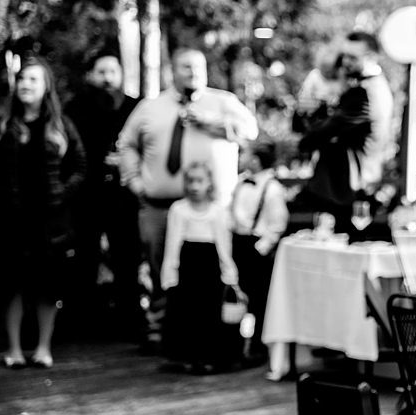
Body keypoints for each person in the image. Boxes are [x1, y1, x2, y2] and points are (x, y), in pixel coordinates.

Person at [117, 47, 258, 347]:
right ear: (172, 71)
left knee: (209, 271)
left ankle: (210, 333)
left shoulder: (223, 102)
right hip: (160, 205)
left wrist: (213, 124)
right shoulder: (150, 107)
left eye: (198, 66)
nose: (193, 72)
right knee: (161, 267)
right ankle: (163, 331)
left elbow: (251, 132)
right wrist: (135, 181)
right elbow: (126, 145)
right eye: (185, 66)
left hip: (211, 211)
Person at [0, 56, 86, 369]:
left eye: (33, 79)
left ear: (46, 87)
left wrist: (60, 194)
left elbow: (80, 167)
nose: (26, 84)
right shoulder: (3, 125)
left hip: (49, 224)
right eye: (22, 78)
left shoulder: (60, 125)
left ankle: (43, 348)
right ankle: (13, 349)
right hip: (12, 222)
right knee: (11, 287)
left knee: (46, 287)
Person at [64, 52, 142, 336]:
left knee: (127, 256)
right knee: (85, 257)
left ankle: (128, 318)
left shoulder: (136, 107)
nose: (107, 78)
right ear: (91, 75)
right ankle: (83, 319)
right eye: (101, 72)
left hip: (124, 196)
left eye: (112, 71)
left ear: (121, 74)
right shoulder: (76, 107)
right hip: (87, 195)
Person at [294, 31, 393, 236]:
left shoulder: (364, 92)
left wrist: (314, 116)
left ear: (371, 57)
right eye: (344, 56)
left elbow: (315, 137)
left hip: (348, 192)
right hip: (348, 189)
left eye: (353, 57)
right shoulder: (369, 85)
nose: (346, 62)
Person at [161, 160, 243, 373]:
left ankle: (211, 358)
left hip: (210, 267)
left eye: (200, 181)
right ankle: (187, 357)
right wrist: (170, 273)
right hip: (188, 266)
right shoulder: (179, 210)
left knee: (210, 312)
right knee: (188, 312)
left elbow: (224, 245)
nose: (194, 186)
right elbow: (173, 244)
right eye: (190, 181)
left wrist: (229, 273)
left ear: (209, 183)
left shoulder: (217, 212)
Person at [229, 140, 288, 363]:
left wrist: (260, 248)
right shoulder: (240, 182)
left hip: (255, 247)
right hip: (237, 242)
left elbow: (277, 223)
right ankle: (234, 344)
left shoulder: (272, 188)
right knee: (236, 294)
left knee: (258, 297)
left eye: (243, 154)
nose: (240, 158)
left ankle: (257, 346)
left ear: (255, 160)